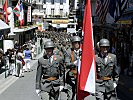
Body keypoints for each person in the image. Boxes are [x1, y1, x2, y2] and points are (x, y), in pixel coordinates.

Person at [65, 36, 82, 100]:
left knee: (80, 96)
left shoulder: (83, 52)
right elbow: (67, 64)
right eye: (75, 43)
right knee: (70, 96)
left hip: (81, 77)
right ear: (72, 44)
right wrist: (74, 63)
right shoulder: (69, 52)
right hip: (71, 76)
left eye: (78, 42)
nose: (77, 44)